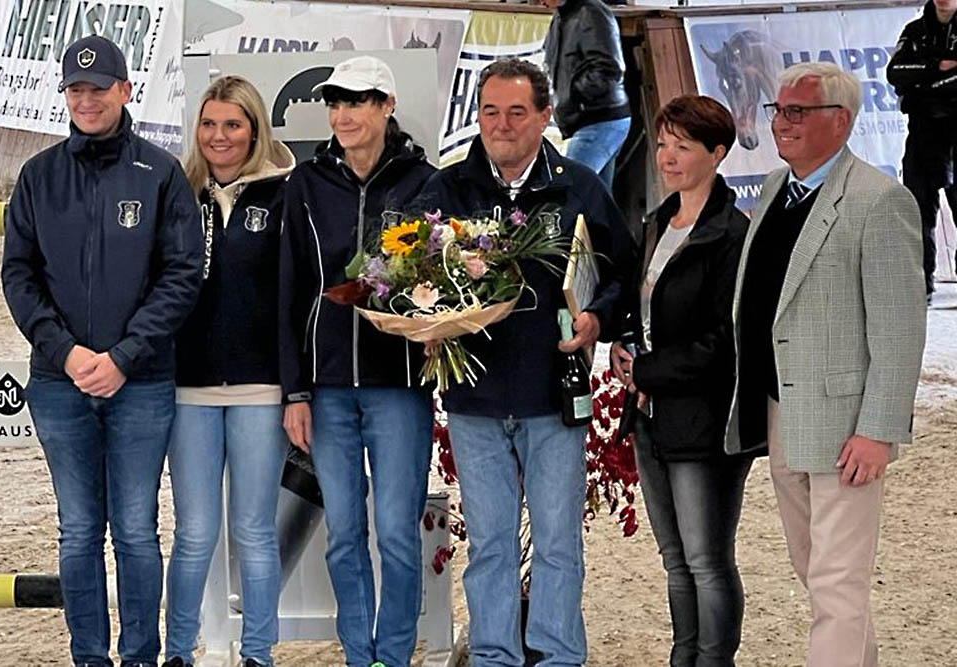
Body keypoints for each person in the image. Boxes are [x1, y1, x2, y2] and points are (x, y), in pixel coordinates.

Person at [415, 58, 633, 666]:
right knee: (488, 546)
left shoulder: (580, 186)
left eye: (517, 112)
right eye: (490, 112)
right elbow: (409, 281)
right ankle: (493, 657)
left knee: (559, 543)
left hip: (554, 398)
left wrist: (595, 319)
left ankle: (559, 656)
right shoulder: (446, 191)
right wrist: (424, 323)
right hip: (475, 400)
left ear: (545, 117)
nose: (502, 125)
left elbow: (621, 275)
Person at [0, 35, 202, 667]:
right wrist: (65, 354)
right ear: (65, 95)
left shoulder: (161, 172)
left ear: (125, 90)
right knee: (79, 530)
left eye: (99, 87)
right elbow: (17, 275)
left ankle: (141, 655)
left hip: (139, 382)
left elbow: (182, 273)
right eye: (75, 89)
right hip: (60, 383)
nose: (86, 100)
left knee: (137, 529)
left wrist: (124, 356)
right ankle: (88, 656)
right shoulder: (38, 175)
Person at [728, 62, 925, 666]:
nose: (780, 123)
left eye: (796, 111)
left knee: (839, 582)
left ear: (839, 123)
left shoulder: (879, 201)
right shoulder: (771, 190)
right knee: (818, 571)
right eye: (777, 110)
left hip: (847, 425)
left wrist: (878, 430)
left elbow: (900, 328)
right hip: (782, 409)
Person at [278, 55, 436, 667]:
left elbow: (443, 283)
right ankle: (358, 655)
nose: (342, 114)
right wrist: (295, 391)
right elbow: (290, 292)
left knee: (397, 535)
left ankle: (393, 656)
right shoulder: (306, 185)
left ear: (387, 106)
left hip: (399, 386)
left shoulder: (425, 182)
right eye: (335, 102)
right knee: (343, 536)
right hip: (327, 390)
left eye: (357, 101)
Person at [608, 95, 754, 667]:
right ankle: (682, 655)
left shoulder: (731, 234)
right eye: (663, 144)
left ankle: (714, 659)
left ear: (717, 154)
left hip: (703, 417)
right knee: (674, 558)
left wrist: (647, 369)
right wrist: (625, 345)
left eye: (682, 147)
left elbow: (726, 341)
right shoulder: (656, 223)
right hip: (650, 413)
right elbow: (645, 310)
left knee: (707, 558)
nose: (667, 158)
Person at [162, 76, 295, 667]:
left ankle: (259, 654)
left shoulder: (285, 195)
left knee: (255, 533)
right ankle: (176, 653)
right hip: (187, 389)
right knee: (193, 535)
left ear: (254, 129)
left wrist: (297, 390)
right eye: (210, 124)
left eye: (233, 125)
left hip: (259, 390)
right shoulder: (176, 195)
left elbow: (296, 300)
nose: (220, 137)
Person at [887, 0, 957, 303]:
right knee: (916, 212)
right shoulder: (915, 30)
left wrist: (923, 84)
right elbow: (896, 73)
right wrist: (937, 66)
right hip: (921, 134)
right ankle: (922, 285)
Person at [540, 0, 630, 188]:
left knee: (568, 190)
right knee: (598, 199)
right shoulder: (561, 16)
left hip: (598, 118)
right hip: (595, 118)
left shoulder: (591, 13)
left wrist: (572, 99)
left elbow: (609, 68)